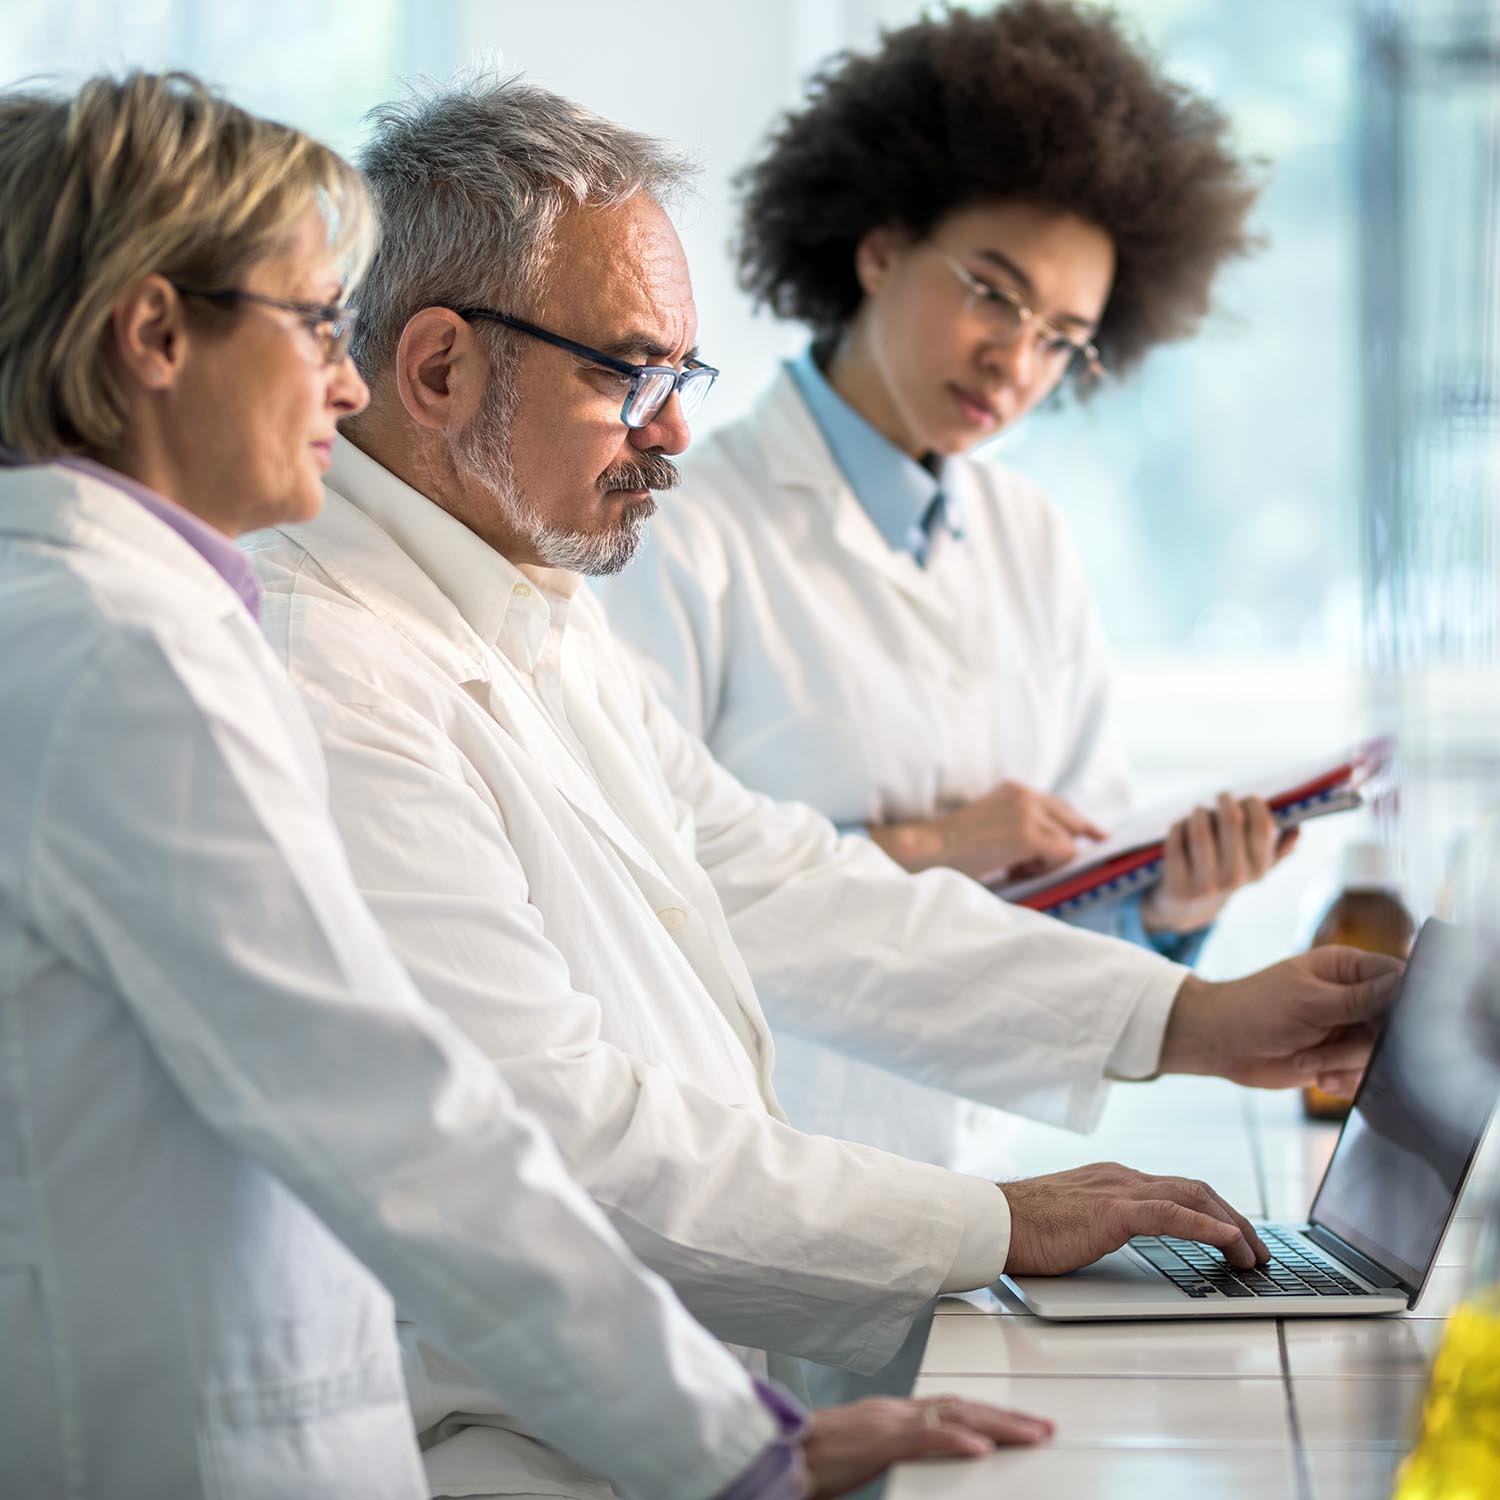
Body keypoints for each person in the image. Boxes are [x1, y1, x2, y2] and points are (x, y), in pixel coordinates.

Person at [244, 73, 1399, 1497]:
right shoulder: (330, 672)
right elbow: (554, 1130)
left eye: (682, 379)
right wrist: (988, 1221)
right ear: (435, 371)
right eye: (631, 375)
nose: (669, 431)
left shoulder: (524, 605)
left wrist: (1181, 1013)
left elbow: (770, 876)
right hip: (482, 1438)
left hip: (635, 1393)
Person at [0, 71, 1044, 1500]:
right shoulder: (134, 653)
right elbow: (386, 1106)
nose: (349, 378)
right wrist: (739, 1446)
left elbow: (748, 871)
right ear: (156, 335)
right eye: (316, 324)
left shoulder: (105, 616)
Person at [599, 0, 1294, 1172]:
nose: (1015, 363)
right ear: (879, 249)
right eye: (993, 293)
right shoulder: (680, 523)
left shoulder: (1030, 538)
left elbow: (1066, 893)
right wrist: (935, 842)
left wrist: (1168, 909)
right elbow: (636, 881)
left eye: (1063, 337)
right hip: (750, 1163)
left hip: (973, 1166)